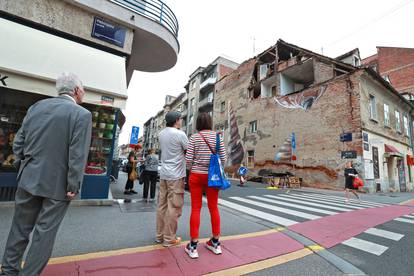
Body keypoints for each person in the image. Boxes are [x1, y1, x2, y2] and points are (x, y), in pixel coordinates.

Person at [0, 73, 92, 276]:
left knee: (19, 229)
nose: (84, 93)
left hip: (28, 178)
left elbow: (18, 143)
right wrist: (73, 185)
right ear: (76, 91)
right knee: (44, 234)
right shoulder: (82, 115)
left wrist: (23, 165)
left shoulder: (36, 107)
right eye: (83, 89)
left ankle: (8, 271)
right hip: (58, 185)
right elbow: (77, 154)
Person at [184, 113, 227, 259]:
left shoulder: (194, 138)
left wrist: (196, 165)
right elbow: (224, 158)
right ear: (210, 122)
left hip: (196, 175)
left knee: (196, 208)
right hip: (212, 176)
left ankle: (193, 246)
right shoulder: (217, 137)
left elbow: (188, 160)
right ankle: (215, 243)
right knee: (213, 207)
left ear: (197, 124)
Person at [156, 111, 188, 247]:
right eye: (180, 119)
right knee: (173, 207)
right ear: (176, 120)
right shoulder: (180, 134)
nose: (181, 121)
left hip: (163, 174)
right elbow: (188, 150)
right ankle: (169, 238)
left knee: (161, 205)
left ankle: (159, 236)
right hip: (176, 175)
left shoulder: (161, 134)